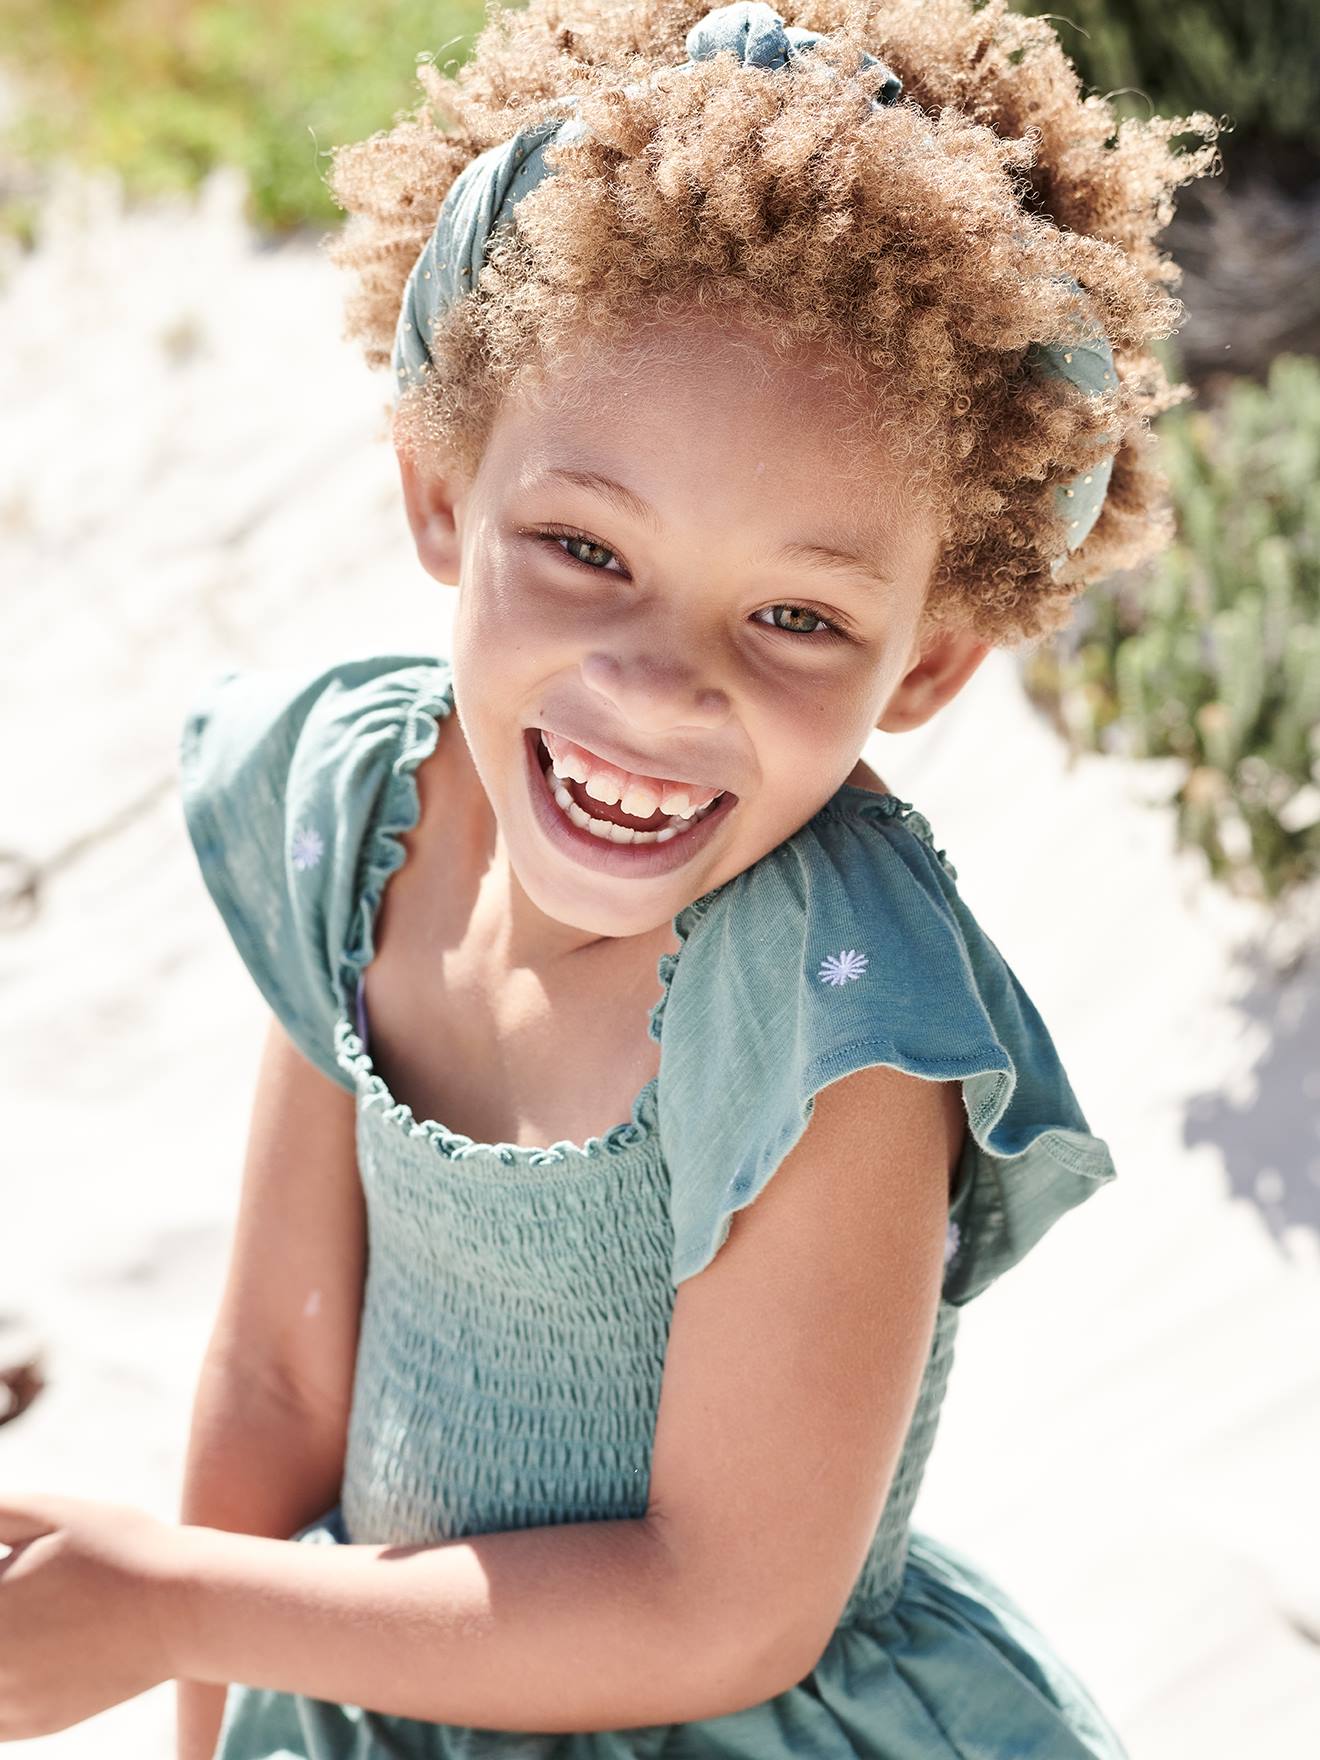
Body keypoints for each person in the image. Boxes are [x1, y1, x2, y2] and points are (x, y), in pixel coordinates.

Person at [0, 1, 1218, 1754]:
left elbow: (719, 1605)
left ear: (932, 659)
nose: (660, 686)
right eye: (584, 550)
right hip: (368, 1693)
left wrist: (174, 1599)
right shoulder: (358, 820)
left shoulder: (836, 1016)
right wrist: (202, 1718)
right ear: (437, 488)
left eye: (798, 617)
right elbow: (277, 1378)